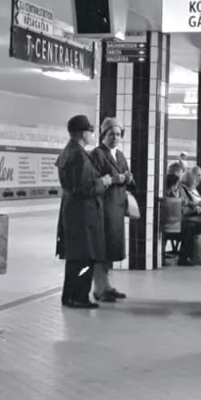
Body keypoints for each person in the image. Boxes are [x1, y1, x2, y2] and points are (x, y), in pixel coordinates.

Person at [55, 115, 111, 308]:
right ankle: (79, 297)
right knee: (85, 257)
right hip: (83, 214)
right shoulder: (78, 155)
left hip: (72, 211)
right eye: (90, 131)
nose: (92, 135)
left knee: (75, 257)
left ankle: (69, 296)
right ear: (83, 133)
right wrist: (103, 182)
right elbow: (84, 187)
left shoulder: (67, 152)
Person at [88, 118, 134, 302]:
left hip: (117, 208)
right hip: (103, 208)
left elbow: (128, 176)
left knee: (111, 250)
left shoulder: (120, 155)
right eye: (110, 134)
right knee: (101, 249)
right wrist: (113, 179)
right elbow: (94, 181)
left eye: (117, 134)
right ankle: (99, 288)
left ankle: (106, 285)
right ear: (103, 135)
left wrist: (129, 178)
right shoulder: (97, 154)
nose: (114, 137)